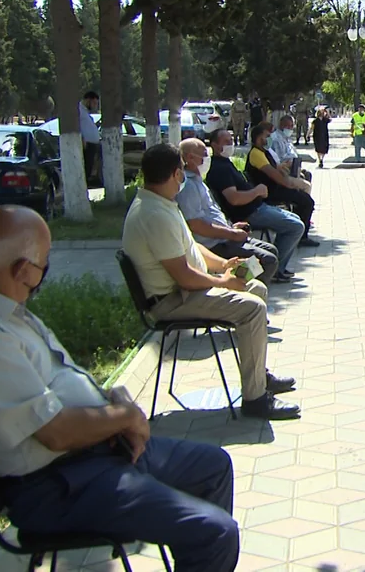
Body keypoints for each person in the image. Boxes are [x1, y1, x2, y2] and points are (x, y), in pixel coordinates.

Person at [0, 205, 241, 571]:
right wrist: (124, 416)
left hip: (90, 458)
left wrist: (113, 410)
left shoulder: (0, 309)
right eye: (44, 264)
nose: (44, 274)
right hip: (59, 486)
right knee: (215, 532)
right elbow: (56, 433)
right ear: (22, 270)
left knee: (214, 466)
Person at [123, 143, 301, 418]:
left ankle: (258, 377)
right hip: (172, 301)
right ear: (175, 174)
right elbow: (183, 275)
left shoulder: (161, 203)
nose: (184, 176)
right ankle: (255, 401)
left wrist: (223, 265)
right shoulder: (154, 215)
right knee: (252, 308)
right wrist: (222, 282)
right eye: (181, 170)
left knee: (256, 286)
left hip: (184, 291)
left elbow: (192, 247)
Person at [206, 131, 310, 280]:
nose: (230, 144)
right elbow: (234, 199)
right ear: (214, 145)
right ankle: (275, 271)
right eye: (226, 142)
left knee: (294, 219)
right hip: (248, 214)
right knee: (295, 226)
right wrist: (257, 191)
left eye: (231, 140)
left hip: (256, 207)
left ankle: (274, 269)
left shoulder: (225, 163)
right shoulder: (219, 169)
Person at [176, 138, 280, 282]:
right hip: (214, 245)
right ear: (189, 157)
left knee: (271, 251)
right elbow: (196, 225)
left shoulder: (199, 181)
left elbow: (210, 214)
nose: (207, 159)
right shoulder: (188, 186)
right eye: (204, 155)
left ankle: (247, 284)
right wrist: (231, 234)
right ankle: (243, 290)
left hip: (225, 235)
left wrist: (231, 227)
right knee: (267, 261)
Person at [246, 124, 319, 247]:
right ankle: (301, 237)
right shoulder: (256, 153)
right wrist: (291, 185)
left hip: (274, 188)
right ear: (259, 138)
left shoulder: (263, 152)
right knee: (306, 201)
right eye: (267, 136)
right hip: (270, 192)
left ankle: (301, 232)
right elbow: (275, 175)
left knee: (303, 199)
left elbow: (276, 169)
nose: (270, 139)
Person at [269, 115, 309, 181]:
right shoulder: (276, 139)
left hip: (292, 167)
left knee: (307, 174)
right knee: (303, 177)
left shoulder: (286, 138)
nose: (290, 128)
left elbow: (293, 152)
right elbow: (280, 159)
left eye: (292, 126)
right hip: (283, 169)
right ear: (281, 125)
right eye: (288, 126)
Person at [78, 91, 101, 186]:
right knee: (86, 170)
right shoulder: (79, 110)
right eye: (94, 103)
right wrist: (82, 138)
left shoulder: (85, 112)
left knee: (89, 170)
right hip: (86, 145)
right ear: (88, 100)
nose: (95, 106)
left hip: (91, 145)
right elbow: (77, 126)